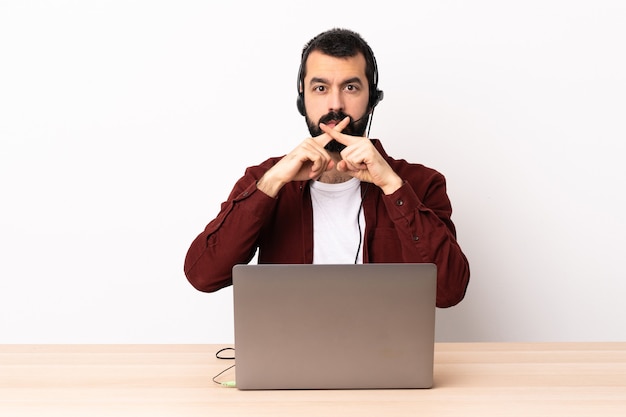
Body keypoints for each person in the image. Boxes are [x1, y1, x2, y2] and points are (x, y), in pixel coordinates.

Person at [184, 28, 469, 307]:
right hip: (291, 352)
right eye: (320, 88)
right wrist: (271, 184)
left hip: (385, 351)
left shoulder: (420, 183)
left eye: (351, 87)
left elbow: (448, 292)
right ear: (302, 98)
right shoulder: (264, 180)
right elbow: (204, 276)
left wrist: (392, 187)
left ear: (372, 99)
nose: (336, 104)